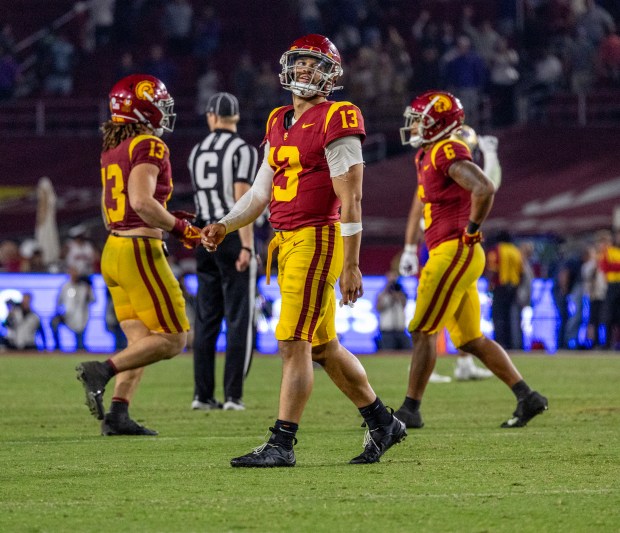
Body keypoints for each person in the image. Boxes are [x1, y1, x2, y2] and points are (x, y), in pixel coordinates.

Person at [201, 34, 406, 467]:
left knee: (293, 341)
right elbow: (259, 193)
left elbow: (351, 199)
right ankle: (383, 423)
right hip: (288, 240)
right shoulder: (278, 119)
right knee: (322, 347)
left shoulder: (338, 116)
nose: (304, 72)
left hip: (317, 239)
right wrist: (225, 223)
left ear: (330, 74)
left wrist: (352, 265)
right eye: (299, 64)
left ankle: (282, 443)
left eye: (314, 65)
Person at [394, 90, 547, 430]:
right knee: (468, 339)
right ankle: (527, 396)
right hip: (449, 251)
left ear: (439, 124)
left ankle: (410, 410)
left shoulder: (447, 148)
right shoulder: (426, 155)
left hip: (454, 250)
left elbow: (484, 187)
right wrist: (410, 246)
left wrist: (472, 230)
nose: (415, 125)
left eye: (421, 120)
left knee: (423, 330)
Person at [75, 74, 202, 436]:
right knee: (174, 338)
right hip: (138, 249)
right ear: (142, 108)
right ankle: (102, 370)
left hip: (113, 249)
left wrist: (167, 219)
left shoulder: (113, 148)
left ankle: (117, 414)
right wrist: (180, 229)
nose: (164, 111)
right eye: (159, 104)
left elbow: (109, 210)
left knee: (142, 341)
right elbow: (143, 203)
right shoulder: (149, 145)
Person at [188, 92, 258, 412]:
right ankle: (234, 396)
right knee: (239, 317)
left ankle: (202, 395)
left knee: (206, 318)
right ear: (236, 117)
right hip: (229, 233)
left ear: (212, 117)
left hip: (203, 234)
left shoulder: (196, 151)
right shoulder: (241, 149)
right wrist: (246, 243)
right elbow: (241, 197)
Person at [51, 266, 95, 351]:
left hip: (81, 317)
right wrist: (59, 312)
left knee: (80, 342)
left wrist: (89, 288)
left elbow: (93, 300)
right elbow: (58, 301)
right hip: (67, 316)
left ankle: (80, 352)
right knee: (54, 323)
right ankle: (57, 348)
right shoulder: (65, 286)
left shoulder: (84, 286)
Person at [375, 271, 412, 351]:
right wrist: (387, 288)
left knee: (407, 352)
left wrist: (397, 293)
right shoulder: (382, 294)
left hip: (401, 330)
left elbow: (404, 304)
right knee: (387, 353)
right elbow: (378, 307)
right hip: (387, 331)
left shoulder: (401, 293)